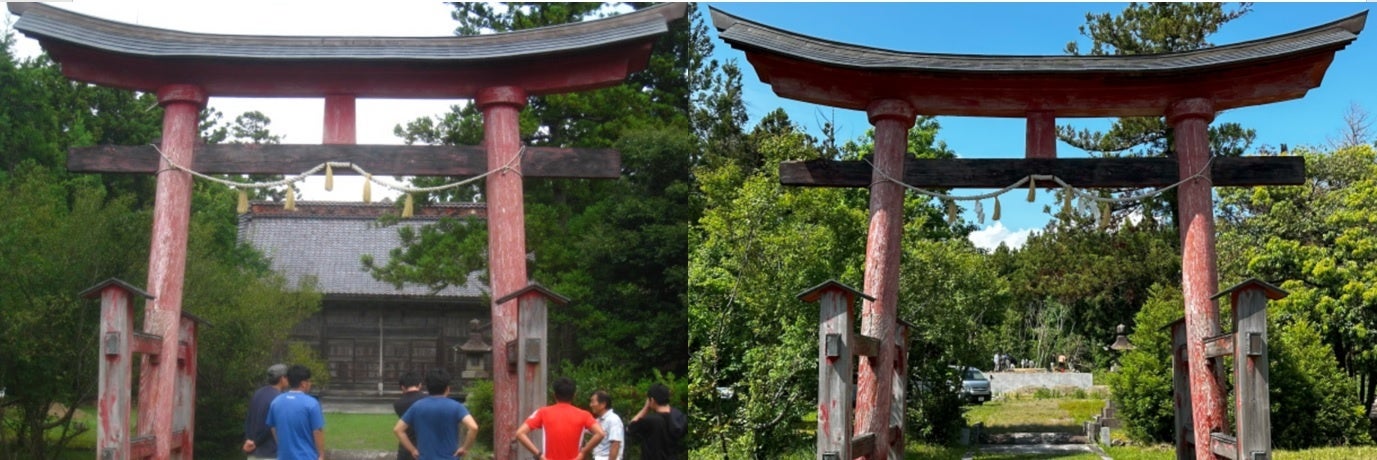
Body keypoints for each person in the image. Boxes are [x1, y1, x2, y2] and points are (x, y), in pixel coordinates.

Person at [393, 368, 479, 460]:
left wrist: (413, 450)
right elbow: (473, 427)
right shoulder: (456, 406)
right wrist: (464, 448)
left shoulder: (417, 406)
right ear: (447, 388)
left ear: (428, 387)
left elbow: (398, 430)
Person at [515, 377, 605, 460]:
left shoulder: (543, 412)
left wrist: (539, 455)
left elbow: (520, 433)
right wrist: (583, 452)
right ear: (574, 395)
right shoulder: (584, 415)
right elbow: (600, 433)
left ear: (554, 395)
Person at [266, 365, 325, 460]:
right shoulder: (311, 403)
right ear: (303, 384)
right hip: (306, 456)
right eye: (309, 381)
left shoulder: (276, 402)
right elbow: (317, 431)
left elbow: (273, 427)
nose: (310, 383)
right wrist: (321, 455)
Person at [243, 363, 288, 459]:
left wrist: (249, 440)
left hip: (253, 453)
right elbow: (270, 426)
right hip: (269, 453)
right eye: (287, 376)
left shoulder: (258, 393)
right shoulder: (279, 398)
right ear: (281, 379)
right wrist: (256, 442)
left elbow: (248, 419)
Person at [626, 383, 682, 460]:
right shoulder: (678, 417)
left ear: (652, 400)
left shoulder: (650, 420)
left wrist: (645, 408)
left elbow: (629, 428)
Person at [393, 371, 426, 460]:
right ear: (420, 385)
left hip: (406, 446)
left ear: (402, 387)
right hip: (425, 445)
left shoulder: (398, 404)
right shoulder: (428, 400)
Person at [584, 390, 623, 460]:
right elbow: (585, 430)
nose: (591, 405)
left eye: (593, 402)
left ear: (603, 404)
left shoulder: (613, 419)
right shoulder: (599, 420)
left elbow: (615, 444)